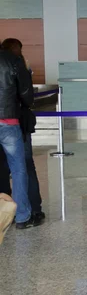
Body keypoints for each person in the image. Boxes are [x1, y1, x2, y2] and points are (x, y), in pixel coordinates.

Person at [0, 38, 44, 222]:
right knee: (19, 169)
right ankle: (22, 216)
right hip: (10, 120)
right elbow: (27, 96)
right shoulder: (13, 60)